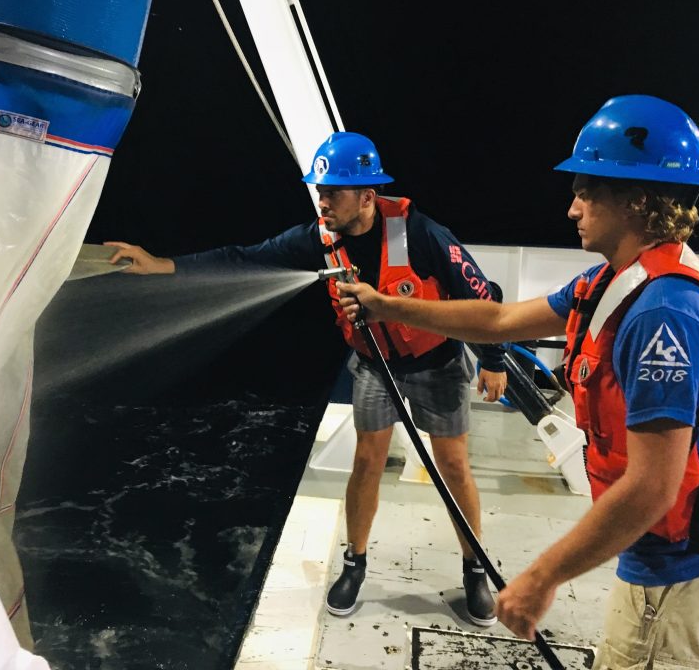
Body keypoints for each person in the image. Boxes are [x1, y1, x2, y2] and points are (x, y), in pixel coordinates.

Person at [337, 96, 699, 669]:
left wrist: (541, 578)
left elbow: (652, 488)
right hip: (661, 557)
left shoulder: (661, 316)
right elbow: (497, 319)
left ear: (636, 200)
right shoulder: (611, 281)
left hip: (691, 573)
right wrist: (388, 309)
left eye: (587, 190)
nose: (573, 208)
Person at [107, 131, 509, 625]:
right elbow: (245, 257)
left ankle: (474, 571)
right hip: (373, 366)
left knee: (453, 467)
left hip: (437, 364)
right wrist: (164, 265)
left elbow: (478, 292)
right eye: (319, 191)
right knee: (366, 461)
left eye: (332, 192)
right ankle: (354, 563)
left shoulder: (422, 234)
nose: (322, 201)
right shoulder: (317, 238)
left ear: (366, 196)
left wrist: (492, 360)